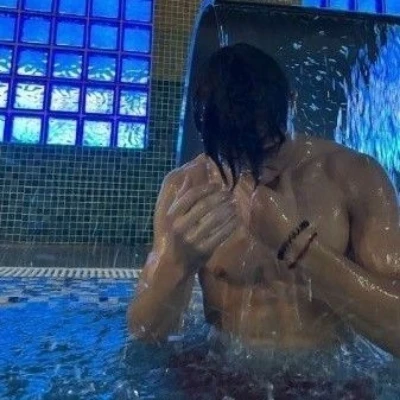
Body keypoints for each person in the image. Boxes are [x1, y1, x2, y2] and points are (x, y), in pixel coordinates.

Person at [127, 43, 400, 357]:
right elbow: (145, 335)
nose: (254, 167)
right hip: (223, 375)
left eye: (268, 149)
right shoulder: (185, 187)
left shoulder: (352, 176)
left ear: (292, 105)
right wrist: (177, 260)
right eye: (234, 154)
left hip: (331, 376)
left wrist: (298, 247)